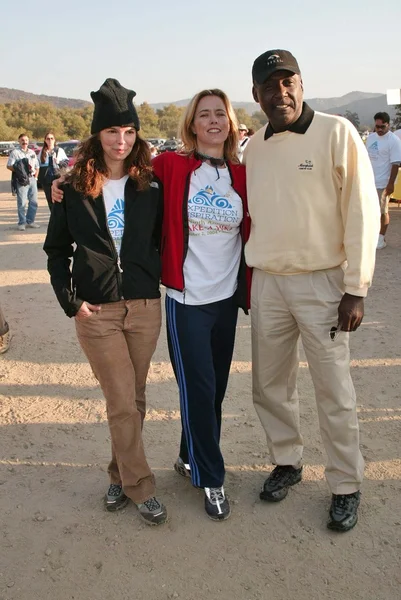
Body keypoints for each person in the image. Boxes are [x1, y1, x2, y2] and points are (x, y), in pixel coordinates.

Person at [244, 49, 379, 532]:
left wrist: (355, 286)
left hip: (324, 283)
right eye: (269, 85)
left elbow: (362, 210)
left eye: (288, 82)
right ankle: (287, 461)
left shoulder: (336, 132)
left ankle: (345, 484)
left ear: (301, 84)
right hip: (269, 283)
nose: (280, 92)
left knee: (334, 389)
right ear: (256, 94)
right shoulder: (253, 147)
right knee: (270, 385)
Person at [43, 78, 167, 526]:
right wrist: (70, 300)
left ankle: (118, 474)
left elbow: (161, 239)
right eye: (113, 131)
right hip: (96, 312)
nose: (121, 140)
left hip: (145, 309)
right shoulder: (73, 188)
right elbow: (56, 250)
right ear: (98, 135)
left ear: (137, 135)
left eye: (129, 132)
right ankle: (141, 486)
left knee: (134, 398)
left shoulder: (150, 187)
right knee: (120, 399)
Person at [153, 89, 250, 521]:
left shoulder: (242, 175)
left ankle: (187, 453)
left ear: (230, 122)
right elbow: (116, 176)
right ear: (191, 124)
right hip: (186, 301)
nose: (213, 121)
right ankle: (211, 478)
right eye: (204, 115)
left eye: (220, 114)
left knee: (214, 392)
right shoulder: (171, 166)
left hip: (225, 300)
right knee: (200, 388)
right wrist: (65, 184)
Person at [366, 112, 401, 249]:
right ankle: (371, 236)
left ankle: (380, 239)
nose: (379, 130)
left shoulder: (393, 141)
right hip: (369, 182)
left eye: (382, 127)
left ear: (388, 125)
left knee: (382, 211)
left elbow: (395, 164)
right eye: (377, 126)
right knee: (369, 211)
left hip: (383, 183)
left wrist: (390, 183)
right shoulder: (371, 138)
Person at [7, 133, 40, 231]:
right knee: (22, 202)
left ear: (28, 141)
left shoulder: (32, 152)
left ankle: (30, 221)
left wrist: (36, 177)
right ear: (19, 141)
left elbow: (37, 166)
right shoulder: (15, 153)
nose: (24, 142)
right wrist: (20, 172)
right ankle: (22, 222)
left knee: (34, 202)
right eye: (22, 140)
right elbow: (9, 166)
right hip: (21, 180)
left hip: (32, 179)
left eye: (26, 140)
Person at [38, 132, 69, 210]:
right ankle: (53, 217)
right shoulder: (42, 152)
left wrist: (58, 161)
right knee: (50, 200)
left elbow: (66, 163)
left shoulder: (59, 150)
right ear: (45, 140)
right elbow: (38, 165)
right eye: (48, 139)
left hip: (57, 177)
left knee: (59, 199)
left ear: (54, 140)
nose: (50, 140)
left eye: (52, 138)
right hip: (46, 179)